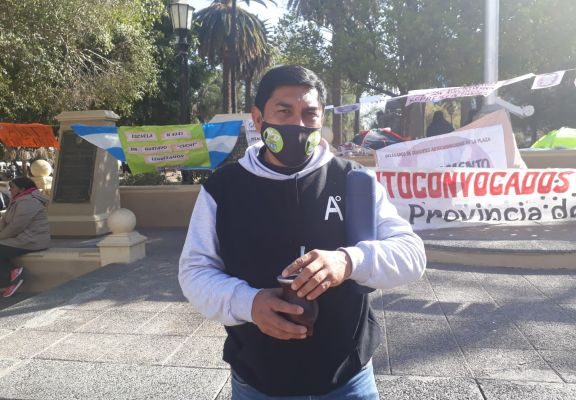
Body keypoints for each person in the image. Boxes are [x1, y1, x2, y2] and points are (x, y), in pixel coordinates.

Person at [179, 65, 426, 399]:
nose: (298, 123)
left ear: (321, 117)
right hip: (258, 381)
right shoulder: (223, 189)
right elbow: (194, 271)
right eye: (284, 111)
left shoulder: (352, 180)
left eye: (309, 114)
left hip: (348, 379)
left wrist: (348, 261)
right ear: (258, 118)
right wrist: (249, 303)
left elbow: (412, 254)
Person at [0, 177, 50, 297]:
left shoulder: (29, 202)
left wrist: (1, 237)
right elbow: (5, 221)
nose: (9, 190)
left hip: (32, 240)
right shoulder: (18, 200)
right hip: (21, 239)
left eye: (12, 187)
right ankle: (11, 275)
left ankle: (9, 279)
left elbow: (16, 226)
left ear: (21, 189)